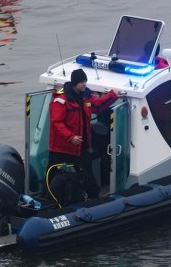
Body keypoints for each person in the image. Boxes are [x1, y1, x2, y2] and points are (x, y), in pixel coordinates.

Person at [48, 68, 120, 200]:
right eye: (81, 82)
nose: (84, 84)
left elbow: (98, 106)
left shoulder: (86, 96)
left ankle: (93, 197)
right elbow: (57, 123)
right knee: (52, 174)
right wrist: (71, 137)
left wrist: (113, 95)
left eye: (85, 81)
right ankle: (49, 198)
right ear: (75, 83)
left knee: (87, 174)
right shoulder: (61, 100)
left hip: (81, 146)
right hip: (62, 147)